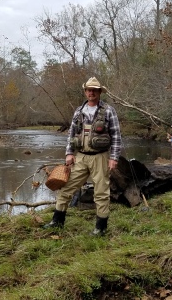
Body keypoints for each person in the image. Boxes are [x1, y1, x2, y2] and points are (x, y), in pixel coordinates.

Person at [44, 77, 122, 236]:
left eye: (94, 90)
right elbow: (71, 134)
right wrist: (69, 153)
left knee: (101, 193)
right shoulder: (79, 111)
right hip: (79, 157)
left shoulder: (108, 110)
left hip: (100, 157)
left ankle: (101, 228)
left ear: (99, 92)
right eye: (88, 90)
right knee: (66, 188)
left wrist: (114, 158)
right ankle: (57, 221)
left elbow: (116, 136)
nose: (91, 92)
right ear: (85, 91)